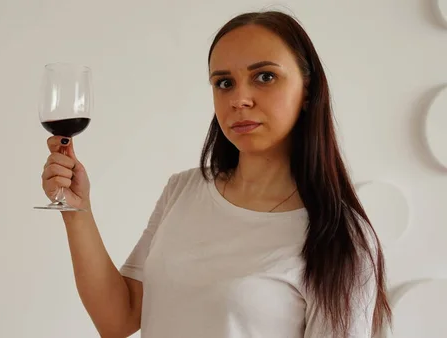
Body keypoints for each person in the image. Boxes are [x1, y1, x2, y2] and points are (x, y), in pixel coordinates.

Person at [41, 10, 392, 338]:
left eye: (265, 77)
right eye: (224, 83)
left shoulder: (341, 238)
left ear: (308, 91)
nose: (240, 98)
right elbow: (117, 318)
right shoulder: (184, 190)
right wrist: (77, 210)